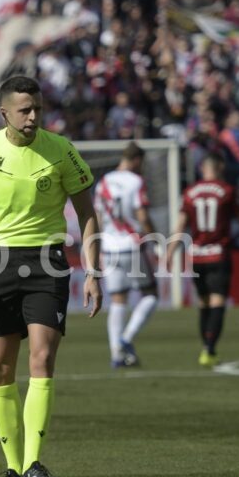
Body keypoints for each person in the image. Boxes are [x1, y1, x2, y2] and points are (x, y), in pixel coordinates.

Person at [0, 76, 101, 477]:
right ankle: (14, 469)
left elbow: (87, 212)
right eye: (24, 110)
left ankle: (34, 462)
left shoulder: (61, 150)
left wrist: (93, 271)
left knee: (41, 357)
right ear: (4, 114)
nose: (33, 116)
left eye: (36, 109)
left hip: (47, 262)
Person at [165, 153, 239, 367]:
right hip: (219, 253)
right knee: (218, 300)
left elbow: (180, 225)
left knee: (203, 301)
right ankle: (210, 348)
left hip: (197, 255)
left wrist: (170, 251)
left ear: (203, 168)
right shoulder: (227, 191)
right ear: (219, 167)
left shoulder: (190, 192)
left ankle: (205, 347)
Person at [93, 142, 158, 368]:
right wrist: (154, 239)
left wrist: (98, 244)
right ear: (137, 160)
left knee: (118, 300)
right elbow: (142, 215)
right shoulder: (136, 182)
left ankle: (116, 354)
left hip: (108, 247)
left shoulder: (104, 181)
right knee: (150, 294)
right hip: (131, 245)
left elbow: (99, 217)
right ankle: (126, 338)